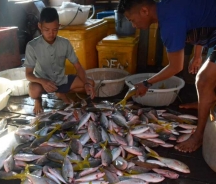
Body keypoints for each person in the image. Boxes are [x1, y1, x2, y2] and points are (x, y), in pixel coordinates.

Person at [117, 0, 216, 153]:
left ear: (144, 11)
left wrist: (146, 83)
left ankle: (199, 136)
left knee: (203, 81)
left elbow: (176, 67)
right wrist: (197, 55)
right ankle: (206, 102)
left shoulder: (169, 23)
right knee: (208, 78)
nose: (134, 25)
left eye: (132, 20)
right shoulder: (168, 7)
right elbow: (201, 17)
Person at [23, 7, 95, 115]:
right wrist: (43, 81)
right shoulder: (32, 46)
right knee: (33, 90)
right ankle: (38, 100)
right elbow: (28, 74)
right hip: (42, 84)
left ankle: (60, 92)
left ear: (59, 26)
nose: (51, 33)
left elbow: (78, 67)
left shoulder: (65, 43)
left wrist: (86, 84)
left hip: (61, 80)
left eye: (55, 29)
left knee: (90, 83)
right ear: (40, 26)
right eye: (47, 30)